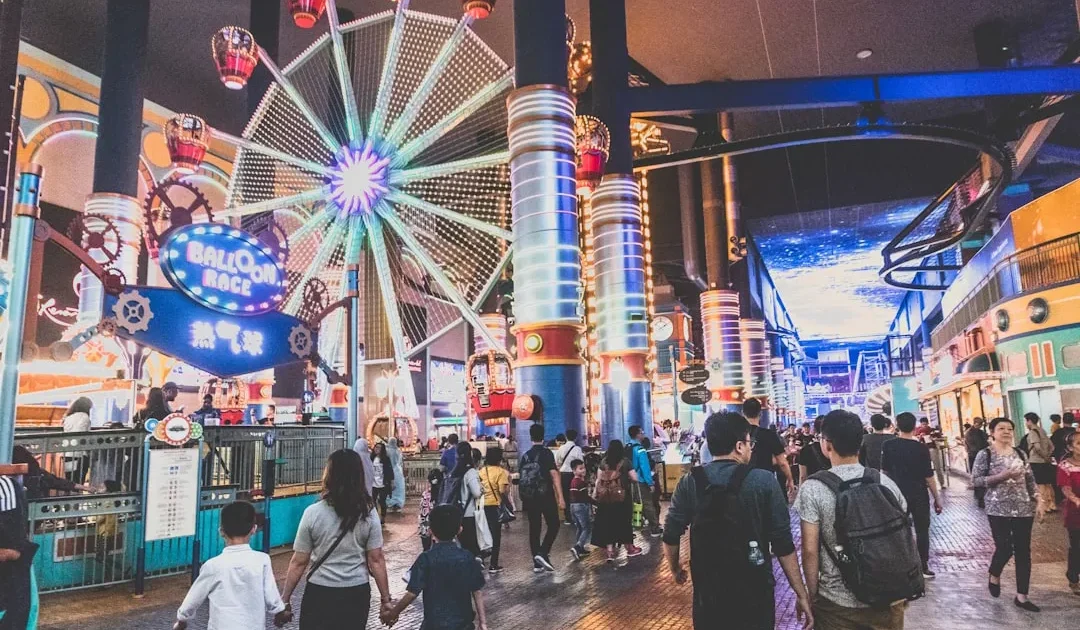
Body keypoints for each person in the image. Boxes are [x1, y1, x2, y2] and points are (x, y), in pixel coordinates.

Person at [664, 412, 813, 630]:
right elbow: (783, 545)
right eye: (749, 443)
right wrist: (801, 593)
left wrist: (675, 568)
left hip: (709, 593)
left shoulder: (690, 481)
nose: (751, 448)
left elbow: (670, 533)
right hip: (755, 591)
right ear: (739, 446)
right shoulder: (763, 481)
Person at [795, 410, 911, 629]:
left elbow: (809, 551)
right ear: (860, 442)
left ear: (826, 444)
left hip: (837, 605)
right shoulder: (885, 483)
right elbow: (905, 537)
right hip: (888, 600)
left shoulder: (813, 489)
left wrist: (811, 596)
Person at [279, 449, 391, 628]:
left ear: (329, 475)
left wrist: (285, 600)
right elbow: (376, 559)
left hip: (319, 593)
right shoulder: (369, 515)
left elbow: (299, 562)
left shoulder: (312, 513)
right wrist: (386, 600)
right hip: (356, 593)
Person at [173, 501, 287, 630]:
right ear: (254, 529)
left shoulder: (213, 565)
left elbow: (194, 598)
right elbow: (272, 596)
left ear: (221, 531)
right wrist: (279, 612)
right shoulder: (262, 560)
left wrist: (182, 620)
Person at [972, 417, 1044, 611]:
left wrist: (1039, 499)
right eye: (1001, 428)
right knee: (1004, 548)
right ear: (992, 432)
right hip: (997, 508)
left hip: (1023, 507)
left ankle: (1022, 596)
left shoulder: (1020, 453)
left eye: (1009, 429)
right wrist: (1002, 476)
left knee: (1023, 551)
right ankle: (994, 573)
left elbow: (1030, 479)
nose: (1006, 432)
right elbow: (976, 480)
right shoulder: (985, 454)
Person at [380, 505, 488, 630]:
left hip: (433, 624)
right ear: (460, 529)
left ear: (430, 530)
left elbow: (412, 593)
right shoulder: (467, 557)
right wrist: (483, 622)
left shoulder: (426, 559)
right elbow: (477, 591)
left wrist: (393, 613)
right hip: (463, 625)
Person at [882, 412, 944, 579]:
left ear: (897, 425)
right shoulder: (921, 448)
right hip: (919, 494)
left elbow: (884, 472)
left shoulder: (888, 446)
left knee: (897, 530)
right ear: (914, 426)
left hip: (896, 494)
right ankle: (923, 566)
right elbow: (929, 476)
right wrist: (937, 498)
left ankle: (900, 565)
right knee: (922, 530)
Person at [518, 423, 565, 572]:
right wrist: (561, 497)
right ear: (543, 436)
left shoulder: (525, 456)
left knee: (534, 528)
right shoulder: (547, 453)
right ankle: (543, 552)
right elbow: (554, 475)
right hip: (546, 495)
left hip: (529, 497)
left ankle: (537, 564)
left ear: (530, 437)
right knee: (554, 524)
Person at [591, 439, 643, 562]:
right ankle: (630, 549)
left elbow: (598, 479)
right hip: (622, 498)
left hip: (605, 498)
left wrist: (595, 493)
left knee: (608, 524)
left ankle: (610, 552)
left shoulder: (603, 462)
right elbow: (634, 478)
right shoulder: (625, 462)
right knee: (624, 523)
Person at [743, 397, 794, 497]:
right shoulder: (769, 435)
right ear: (760, 414)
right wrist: (790, 479)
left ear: (743, 413)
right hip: (764, 481)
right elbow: (782, 462)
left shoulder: (738, 434)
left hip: (743, 482)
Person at [450, 443, 484, 558]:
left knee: (462, 545)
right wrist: (482, 489)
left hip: (457, 512)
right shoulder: (470, 472)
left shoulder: (454, 472)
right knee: (472, 546)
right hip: (469, 513)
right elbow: (476, 493)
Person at [1056, 431, 1080, 594]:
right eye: (1079, 443)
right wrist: (1076, 500)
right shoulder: (1065, 466)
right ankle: (1073, 577)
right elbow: (1066, 488)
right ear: (1070, 448)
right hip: (1075, 513)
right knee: (1077, 546)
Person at [478, 447, 509, 573]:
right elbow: (502, 491)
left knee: (483, 533)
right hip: (495, 505)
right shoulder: (501, 472)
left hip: (481, 505)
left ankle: (481, 557)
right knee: (496, 535)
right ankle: (493, 564)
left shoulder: (481, 471)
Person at [628, 425, 662, 536]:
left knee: (636, 503)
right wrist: (650, 483)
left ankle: (637, 524)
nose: (643, 434)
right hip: (641, 480)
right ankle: (655, 528)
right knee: (648, 504)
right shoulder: (640, 449)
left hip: (630, 480)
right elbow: (645, 467)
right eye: (642, 432)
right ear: (638, 434)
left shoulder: (628, 447)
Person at [1023, 413, 1056, 513]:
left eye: (1026, 421)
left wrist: (1044, 456)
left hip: (1036, 461)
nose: (1026, 424)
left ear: (1029, 421)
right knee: (1048, 483)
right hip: (1045, 462)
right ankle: (1052, 504)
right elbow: (1052, 446)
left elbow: (1037, 447)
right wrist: (1048, 456)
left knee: (1040, 484)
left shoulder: (1033, 432)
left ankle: (1045, 506)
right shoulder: (1042, 431)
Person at [61, 397, 93, 484]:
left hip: (67, 452)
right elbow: (84, 435)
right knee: (79, 480)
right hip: (80, 453)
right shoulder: (85, 417)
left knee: (69, 480)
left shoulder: (68, 417)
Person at [556, 428, 584, 524]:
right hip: (574, 475)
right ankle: (576, 517)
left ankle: (568, 518)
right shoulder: (577, 449)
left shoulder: (561, 448)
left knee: (565, 495)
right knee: (575, 495)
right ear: (576, 438)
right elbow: (581, 463)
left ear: (566, 437)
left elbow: (557, 461)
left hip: (564, 474)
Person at [567, 458, 593, 561]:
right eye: (580, 468)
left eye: (584, 468)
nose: (583, 470)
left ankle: (580, 548)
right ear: (574, 471)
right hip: (580, 506)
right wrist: (596, 502)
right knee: (587, 528)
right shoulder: (580, 483)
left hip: (573, 506)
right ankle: (577, 547)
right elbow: (585, 497)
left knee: (579, 527)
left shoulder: (573, 481)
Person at [966, 417, 990, 508]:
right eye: (979, 424)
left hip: (981, 455)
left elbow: (986, 441)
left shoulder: (980, 432)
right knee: (978, 477)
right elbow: (972, 446)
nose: (980, 426)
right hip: (974, 456)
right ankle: (980, 497)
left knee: (983, 476)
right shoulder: (969, 433)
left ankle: (981, 496)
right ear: (975, 423)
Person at [798, 416, 830, 484]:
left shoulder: (805, 450)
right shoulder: (834, 448)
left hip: (812, 485)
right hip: (833, 485)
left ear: (814, 429)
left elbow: (803, 477)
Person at [371, 443, 394, 521]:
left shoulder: (386, 459)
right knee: (373, 500)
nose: (376, 449)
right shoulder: (371, 458)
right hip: (373, 483)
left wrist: (391, 481)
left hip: (383, 483)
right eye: (376, 447)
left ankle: (383, 516)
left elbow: (390, 470)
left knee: (382, 500)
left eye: (379, 448)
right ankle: (375, 516)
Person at [419, 469, 440, 552]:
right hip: (440, 529)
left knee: (426, 550)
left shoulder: (425, 494)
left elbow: (422, 512)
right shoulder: (443, 494)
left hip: (425, 526)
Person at [386, 438, 406, 512]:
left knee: (390, 489)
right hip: (398, 472)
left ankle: (390, 504)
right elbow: (401, 462)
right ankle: (398, 505)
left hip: (389, 471)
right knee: (399, 489)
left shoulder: (387, 451)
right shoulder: (398, 451)